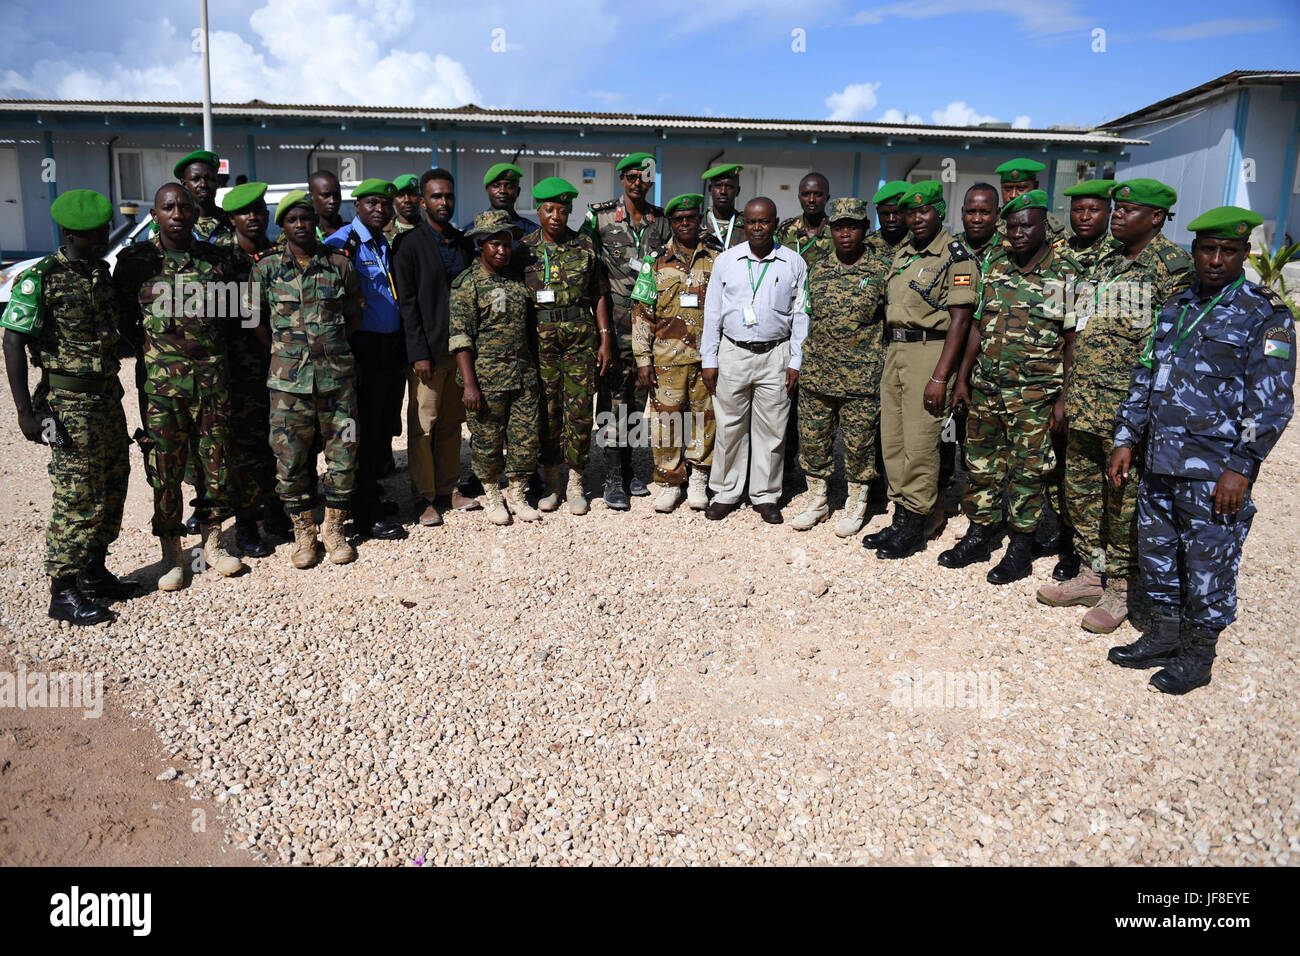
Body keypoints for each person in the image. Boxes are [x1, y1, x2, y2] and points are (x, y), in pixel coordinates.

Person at [1108, 205, 1294, 694]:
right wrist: (1127, 437)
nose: (1215, 259)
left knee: (1210, 563)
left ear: (1244, 254)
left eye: (1227, 251)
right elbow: (1146, 376)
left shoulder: (1265, 315)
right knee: (1159, 553)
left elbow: (1271, 403)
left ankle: (1198, 655)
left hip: (1214, 471)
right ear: (1193, 252)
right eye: (1207, 249)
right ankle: (1164, 635)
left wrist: (1242, 467)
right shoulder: (1176, 306)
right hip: (1160, 459)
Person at [1037, 178, 1191, 632]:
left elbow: (1170, 349)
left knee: (1121, 499)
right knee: (1081, 494)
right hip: (1084, 401)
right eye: (1117, 209)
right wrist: (1066, 393)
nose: (1117, 215)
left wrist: (1146, 416)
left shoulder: (1172, 267)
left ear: (1156, 218)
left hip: (1127, 411)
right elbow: (1078, 329)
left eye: (1130, 210)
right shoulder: (1104, 259)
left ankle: (1122, 588)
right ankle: (1091, 571)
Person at [1, 190, 139, 624]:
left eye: (102, 230)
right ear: (68, 234)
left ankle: (93, 572)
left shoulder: (100, 272)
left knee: (114, 481)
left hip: (105, 396)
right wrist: (25, 412)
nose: (101, 237)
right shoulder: (39, 277)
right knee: (77, 494)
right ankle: (63, 591)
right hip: (66, 401)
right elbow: (12, 341)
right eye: (92, 233)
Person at [940, 190, 1081, 583]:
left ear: (1043, 227)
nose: (1018, 233)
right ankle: (980, 534)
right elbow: (978, 326)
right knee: (980, 467)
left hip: (1035, 395)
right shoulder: (997, 262)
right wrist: (963, 379)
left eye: (1027, 225)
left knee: (1027, 473)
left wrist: (1063, 400)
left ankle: (1020, 547)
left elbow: (1072, 341)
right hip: (987, 386)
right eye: (1013, 226)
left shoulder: (1063, 272)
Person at [113, 183, 244, 590]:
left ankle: (213, 544)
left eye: (184, 207)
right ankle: (171, 552)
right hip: (161, 391)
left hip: (211, 385)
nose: (178, 213)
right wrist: (154, 354)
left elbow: (239, 316)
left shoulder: (218, 259)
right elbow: (121, 321)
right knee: (164, 469)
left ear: (194, 214)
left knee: (214, 465)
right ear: (155, 214)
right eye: (168, 207)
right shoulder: (136, 262)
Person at [863, 180, 978, 559]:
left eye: (924, 210)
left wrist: (940, 376)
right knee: (893, 439)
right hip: (896, 351)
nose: (916, 218)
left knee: (921, 442)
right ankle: (900, 515)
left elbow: (961, 321)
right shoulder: (905, 253)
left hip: (930, 352)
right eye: (911, 212)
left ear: (939, 212)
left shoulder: (954, 255)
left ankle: (916, 522)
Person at [251, 190, 364, 568]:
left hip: (337, 381)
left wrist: (332, 349)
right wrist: (286, 353)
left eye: (307, 218)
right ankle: (303, 532)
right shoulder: (265, 268)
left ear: (316, 222)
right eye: (292, 220)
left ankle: (334, 528)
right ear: (282, 226)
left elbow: (354, 313)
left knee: (344, 453)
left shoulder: (339, 265)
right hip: (288, 386)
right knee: (290, 459)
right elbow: (253, 320)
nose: (301, 225)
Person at [701, 197, 809, 524]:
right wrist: (709, 357)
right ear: (744, 224)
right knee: (730, 427)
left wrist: (796, 360)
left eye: (764, 221)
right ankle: (726, 492)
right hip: (733, 352)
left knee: (773, 430)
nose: (757, 227)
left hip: (776, 354)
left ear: (776, 223)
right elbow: (713, 313)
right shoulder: (727, 261)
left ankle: (764, 495)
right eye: (751, 221)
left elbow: (801, 314)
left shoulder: (793, 262)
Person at [789, 198, 889, 536]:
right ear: (831, 230)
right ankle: (817, 501)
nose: (845, 233)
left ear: (864, 229)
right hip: (818, 374)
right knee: (814, 440)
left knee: (860, 445)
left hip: (861, 377)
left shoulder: (881, 270)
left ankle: (855, 504)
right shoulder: (816, 268)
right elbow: (805, 316)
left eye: (853, 226)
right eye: (839, 226)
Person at [518, 176, 613, 515]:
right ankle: (551, 483)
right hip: (540, 342)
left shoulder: (584, 246)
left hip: (579, 340)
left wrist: (604, 338)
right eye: (549, 209)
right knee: (547, 412)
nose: (556, 216)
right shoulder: (524, 248)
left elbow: (599, 293)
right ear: (539, 210)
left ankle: (576, 483)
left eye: (562, 210)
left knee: (579, 412)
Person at [583, 152, 672, 508]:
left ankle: (630, 468)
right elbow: (584, 262)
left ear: (651, 181)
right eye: (631, 176)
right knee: (611, 402)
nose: (637, 183)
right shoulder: (600, 215)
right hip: (615, 324)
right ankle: (611, 477)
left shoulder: (660, 221)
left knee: (636, 402)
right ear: (622, 179)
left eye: (644, 177)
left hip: (648, 327)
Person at [322, 179, 407, 541]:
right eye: (372, 203)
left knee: (379, 429)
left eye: (385, 204)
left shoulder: (383, 242)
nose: (380, 210)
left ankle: (371, 494)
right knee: (360, 431)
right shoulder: (342, 244)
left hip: (389, 347)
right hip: (361, 349)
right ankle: (363, 512)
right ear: (357, 206)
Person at [394, 168, 478, 526]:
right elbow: (407, 303)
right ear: (423, 200)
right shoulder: (409, 245)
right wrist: (418, 353)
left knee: (450, 423)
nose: (444, 202)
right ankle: (424, 496)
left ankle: (448, 488)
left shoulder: (461, 243)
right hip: (427, 354)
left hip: (457, 352)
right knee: (423, 425)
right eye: (436, 197)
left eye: (448, 196)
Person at [212, 181, 292, 558]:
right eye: (246, 212)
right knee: (243, 451)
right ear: (232, 219)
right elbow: (229, 320)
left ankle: (277, 512)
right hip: (239, 372)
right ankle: (246, 524)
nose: (255, 217)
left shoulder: (280, 255)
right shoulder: (220, 262)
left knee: (279, 443)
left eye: (259, 210)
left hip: (281, 367)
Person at [449, 210, 541, 525]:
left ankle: (517, 493)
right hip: (486, 381)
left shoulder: (516, 281)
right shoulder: (467, 283)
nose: (502, 251)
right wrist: (469, 384)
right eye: (495, 245)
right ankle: (492, 495)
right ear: (480, 245)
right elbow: (460, 338)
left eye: (506, 244)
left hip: (523, 376)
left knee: (525, 440)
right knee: (487, 441)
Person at [631, 192, 719, 513]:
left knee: (703, 420)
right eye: (679, 219)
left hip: (706, 361)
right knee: (666, 422)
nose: (685, 223)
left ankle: (698, 478)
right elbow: (642, 313)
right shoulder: (654, 262)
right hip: (667, 359)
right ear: (670, 223)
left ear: (699, 220)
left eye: (691, 218)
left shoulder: (716, 258)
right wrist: (643, 359)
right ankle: (669, 480)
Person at [995, 159, 1066, 240]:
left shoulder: (1049, 225)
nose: (1013, 195)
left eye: (1021, 188)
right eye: (1008, 189)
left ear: (1035, 186)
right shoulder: (991, 221)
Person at [775, 173, 833, 269]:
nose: (811, 200)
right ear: (799, 197)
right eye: (806, 194)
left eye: (817, 194)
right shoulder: (785, 229)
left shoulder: (836, 231)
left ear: (827, 197)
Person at [174, 149, 231, 243]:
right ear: (184, 184)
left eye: (209, 178)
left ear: (218, 182)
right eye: (195, 179)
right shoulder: (176, 223)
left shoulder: (232, 221)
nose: (203, 184)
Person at [1062, 179, 1115, 274]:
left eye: (1094, 210)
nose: (1084, 217)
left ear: (1109, 212)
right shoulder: (1059, 248)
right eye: (1078, 210)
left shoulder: (1115, 255)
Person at [699, 164, 747, 250]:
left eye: (729, 186)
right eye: (718, 185)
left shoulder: (747, 226)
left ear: (738, 191)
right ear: (710, 189)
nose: (723, 191)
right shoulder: (697, 224)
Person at [483, 163, 538, 236]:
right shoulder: (470, 231)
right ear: (487, 190)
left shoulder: (533, 232)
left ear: (518, 192)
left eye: (510, 186)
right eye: (496, 186)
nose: (502, 191)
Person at [309, 170, 347, 240]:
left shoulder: (352, 231)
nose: (332, 201)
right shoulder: (305, 233)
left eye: (336, 195)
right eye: (326, 195)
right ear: (312, 196)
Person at [385, 174, 422, 242]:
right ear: (393, 201)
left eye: (412, 194)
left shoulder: (432, 230)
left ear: (420, 198)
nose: (407, 200)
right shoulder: (383, 233)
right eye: (400, 195)